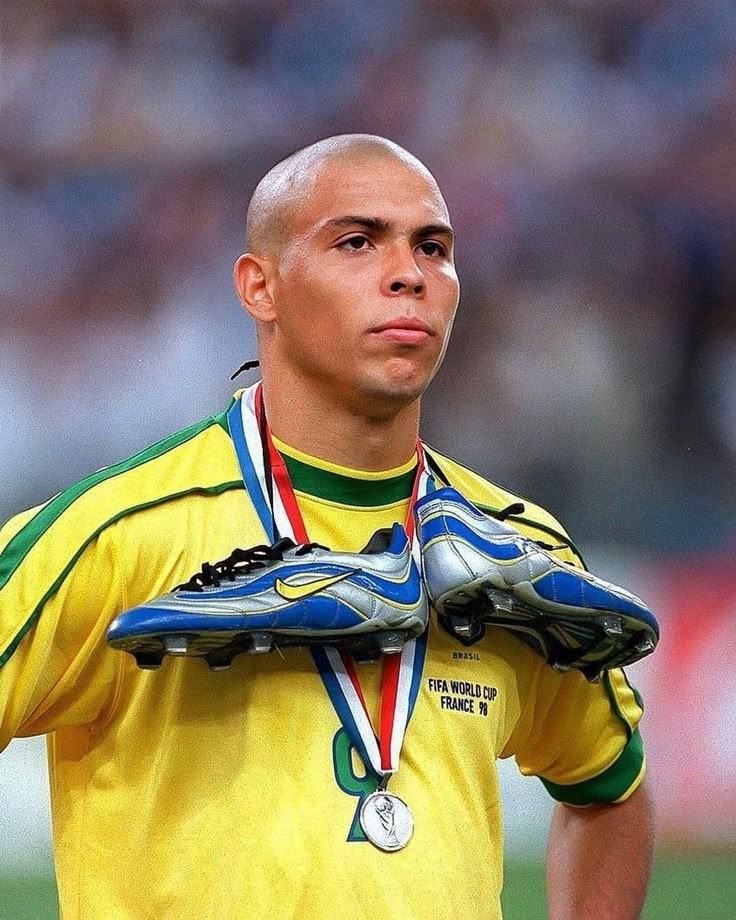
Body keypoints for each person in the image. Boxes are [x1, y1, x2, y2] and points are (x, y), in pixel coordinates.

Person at [0, 135, 654, 919]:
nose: (410, 272)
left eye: (434, 247)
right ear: (259, 287)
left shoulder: (517, 549)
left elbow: (610, 790)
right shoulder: (117, 533)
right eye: (356, 241)